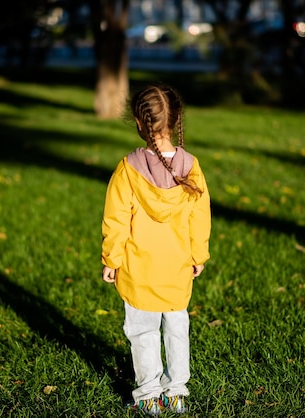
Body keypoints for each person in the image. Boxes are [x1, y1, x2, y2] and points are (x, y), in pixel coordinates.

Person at [101, 84, 211, 415]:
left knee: (142, 332)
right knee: (177, 329)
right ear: (177, 120)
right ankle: (176, 392)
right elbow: (199, 217)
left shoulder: (128, 169)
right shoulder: (191, 167)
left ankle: (149, 395)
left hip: (138, 270)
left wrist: (112, 259)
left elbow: (115, 219)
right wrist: (198, 255)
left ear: (138, 121)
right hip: (177, 268)